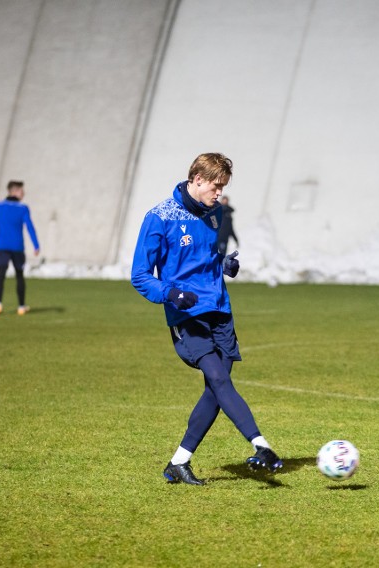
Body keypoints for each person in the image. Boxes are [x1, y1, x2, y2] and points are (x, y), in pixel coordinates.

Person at [131, 152, 283, 485]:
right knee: (218, 378)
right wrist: (171, 295)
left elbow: (205, 259)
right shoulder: (160, 217)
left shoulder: (214, 215)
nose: (219, 194)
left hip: (220, 311)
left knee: (217, 388)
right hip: (187, 315)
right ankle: (262, 445)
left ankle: (178, 463)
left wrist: (223, 266)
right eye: (216, 187)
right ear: (197, 179)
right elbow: (140, 275)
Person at [0, 180, 40, 315]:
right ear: (14, 191)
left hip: (2, 246)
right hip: (17, 247)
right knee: (19, 276)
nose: (24, 193)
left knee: (0, 275)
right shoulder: (23, 208)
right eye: (21, 191)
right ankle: (21, 307)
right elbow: (29, 227)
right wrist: (36, 244)